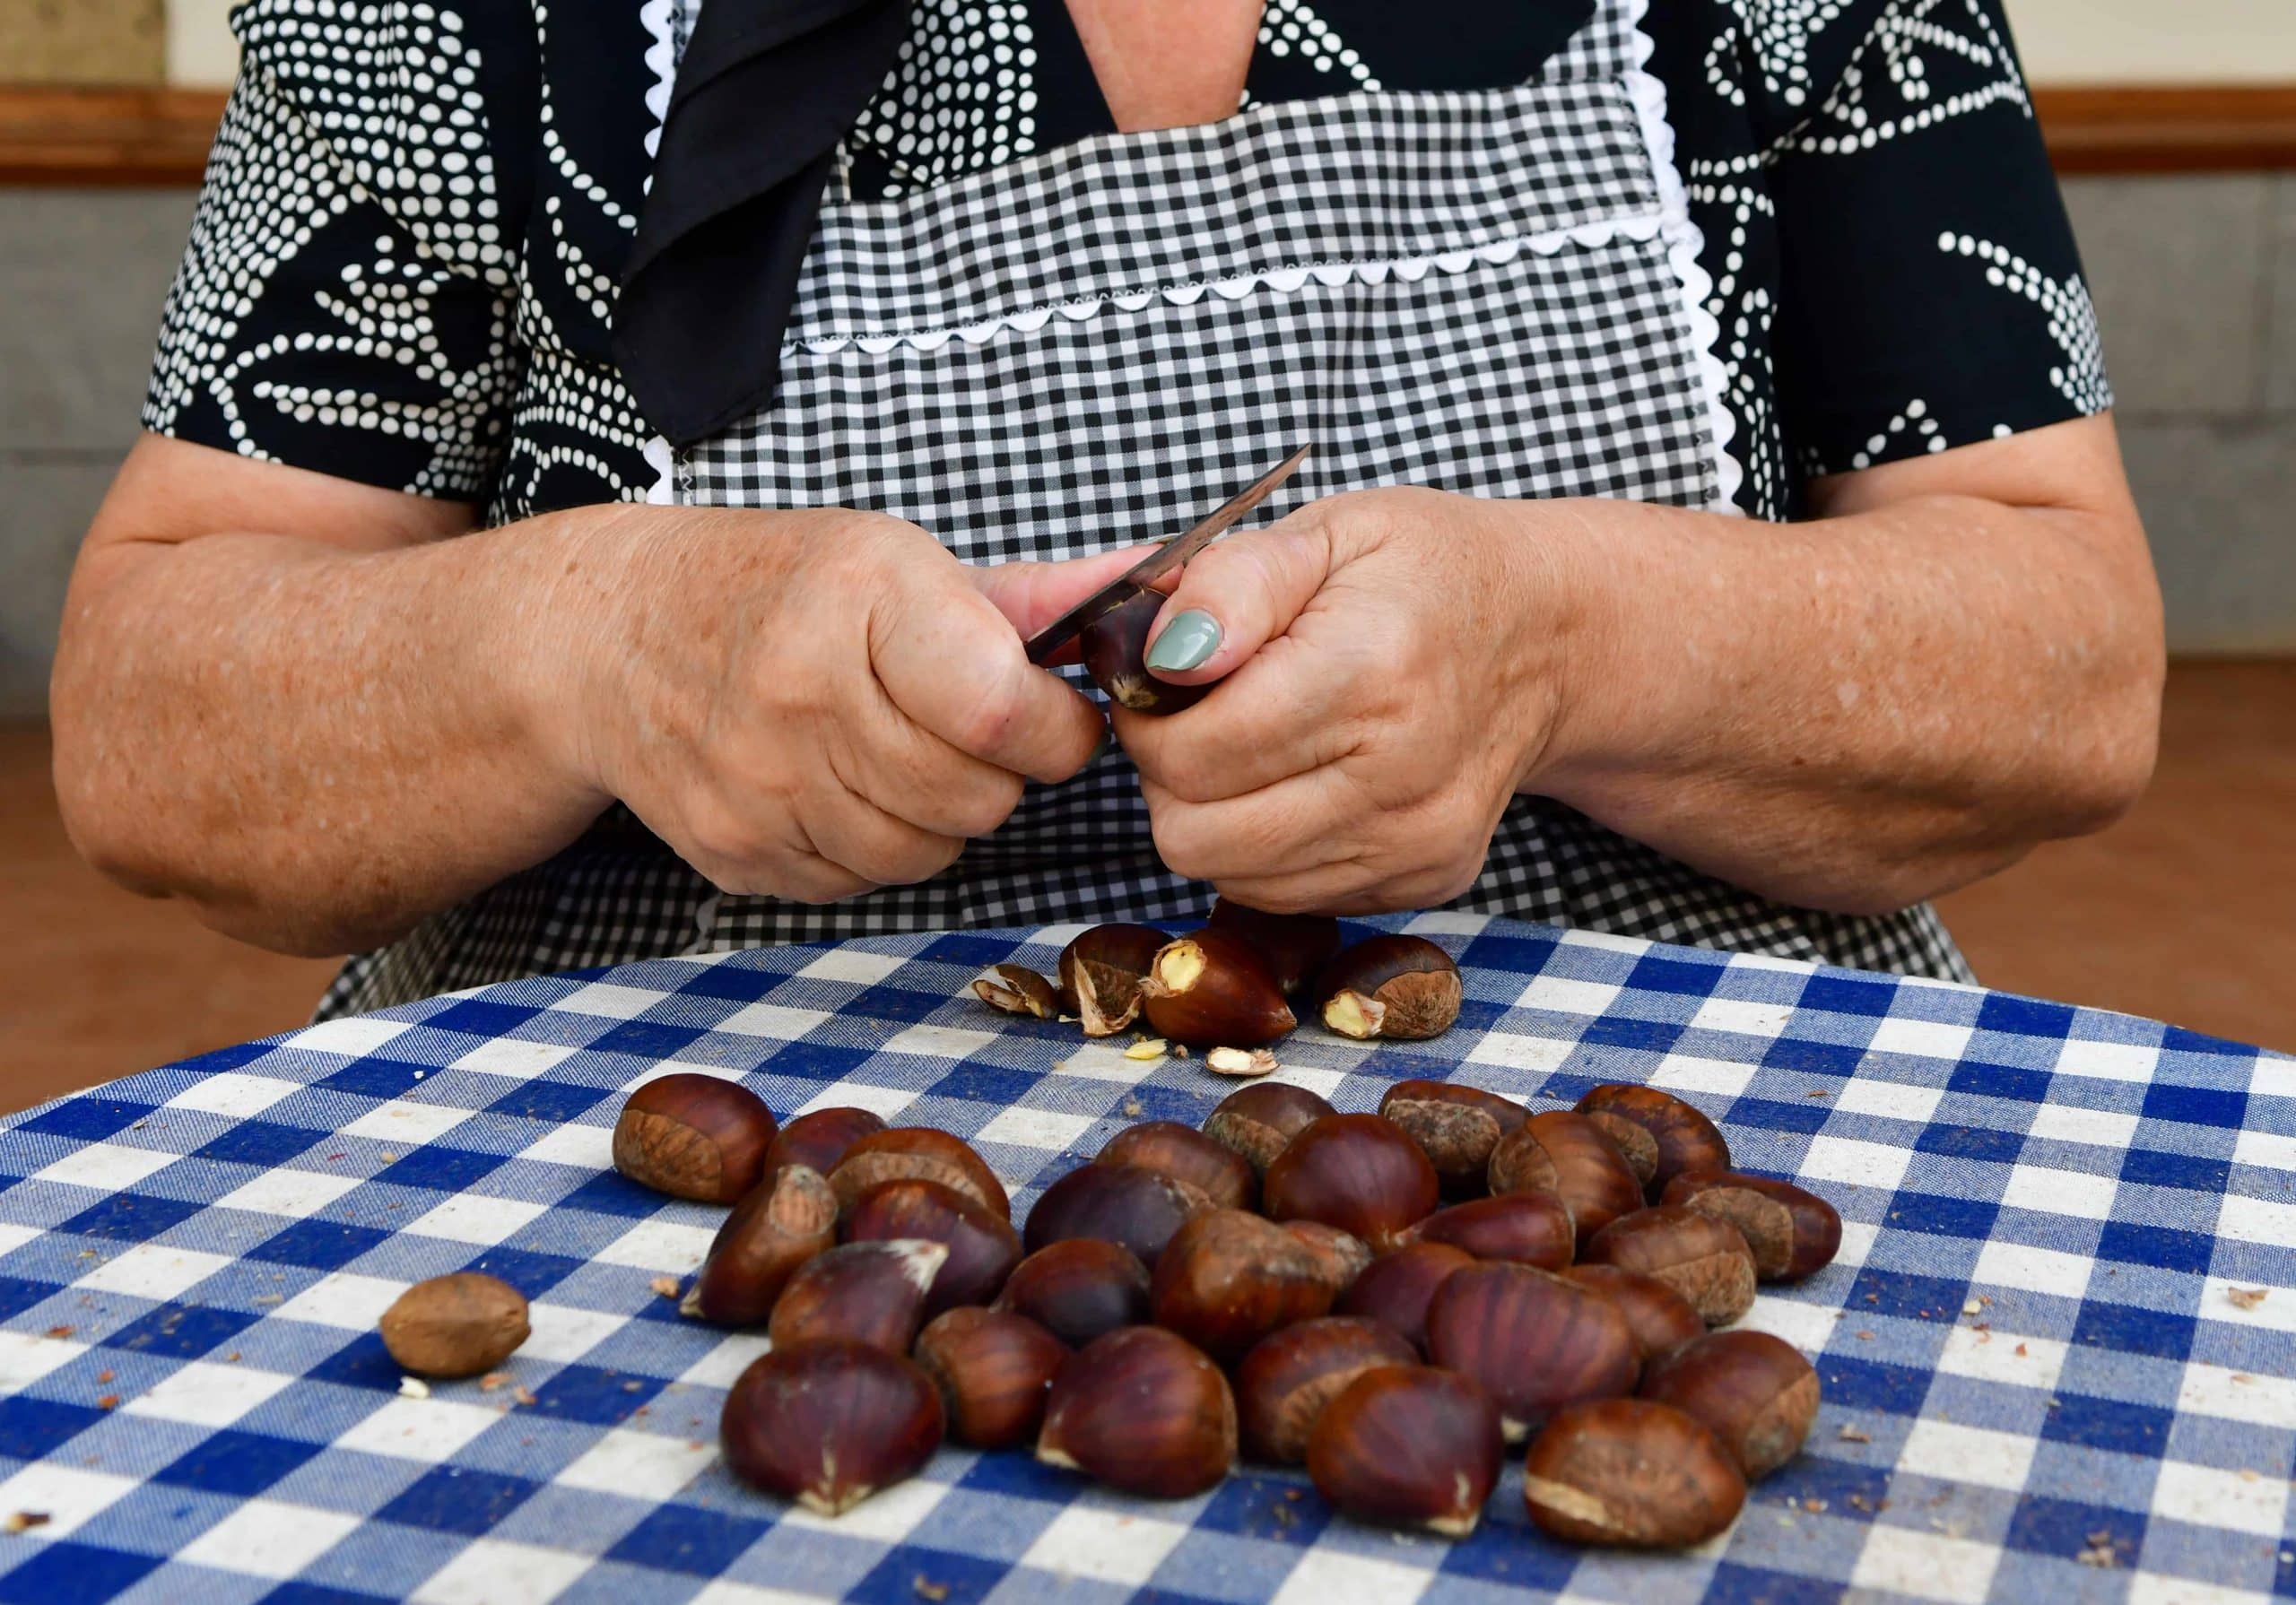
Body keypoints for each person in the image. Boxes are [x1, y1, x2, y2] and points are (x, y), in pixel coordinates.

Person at [52, 0, 2162, 1020]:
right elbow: (149, 715)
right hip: (677, 1249)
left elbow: (2058, 656)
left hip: (1644, 1185)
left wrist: (1572, 639)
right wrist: (583, 642)